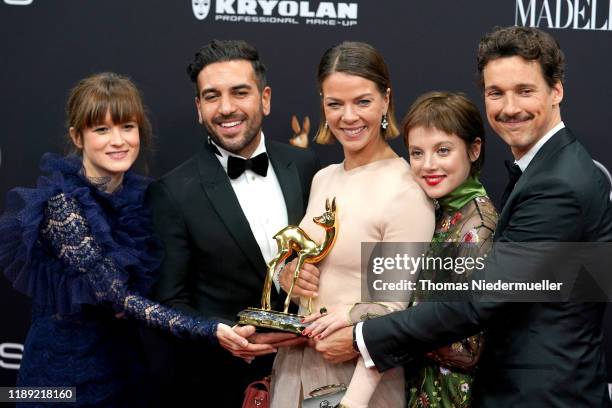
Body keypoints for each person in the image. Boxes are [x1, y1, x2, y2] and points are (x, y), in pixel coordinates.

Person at [314, 26, 612, 407]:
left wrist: (363, 335)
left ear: (556, 91)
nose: (509, 107)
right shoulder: (547, 169)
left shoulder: (558, 184)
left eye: (525, 90)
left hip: (543, 395)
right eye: (495, 93)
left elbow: (479, 302)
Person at [0, 72, 257, 407]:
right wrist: (210, 330)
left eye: (127, 127)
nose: (117, 140)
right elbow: (119, 298)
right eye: (101, 129)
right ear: (78, 137)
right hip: (60, 381)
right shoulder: (62, 206)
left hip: (126, 370)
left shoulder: (144, 198)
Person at [144, 39, 320, 407]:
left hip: (311, 373)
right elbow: (171, 300)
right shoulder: (173, 192)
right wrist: (220, 334)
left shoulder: (306, 168)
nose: (226, 108)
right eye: (212, 96)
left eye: (240, 92)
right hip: (221, 383)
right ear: (198, 108)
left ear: (265, 98)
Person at [270, 41, 435, 408]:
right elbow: (310, 268)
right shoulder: (323, 178)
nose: (348, 116)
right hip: (294, 374)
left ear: (385, 100)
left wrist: (352, 335)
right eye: (334, 104)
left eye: (362, 101)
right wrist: (289, 275)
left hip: (359, 382)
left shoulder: (406, 189)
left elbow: (398, 308)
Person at [402, 91, 497, 407]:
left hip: (452, 397)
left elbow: (468, 351)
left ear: (473, 149)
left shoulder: (477, 226)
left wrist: (374, 323)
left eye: (443, 151)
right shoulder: (432, 209)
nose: (427, 165)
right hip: (416, 387)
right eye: (417, 153)